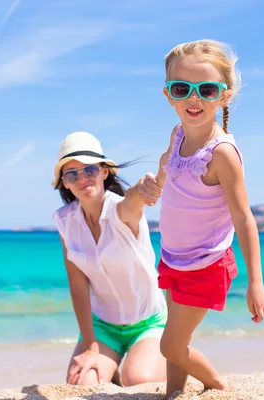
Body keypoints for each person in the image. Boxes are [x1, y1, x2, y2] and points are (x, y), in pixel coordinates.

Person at [141, 39, 264, 398]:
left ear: (223, 96)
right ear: (168, 94)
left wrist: (255, 282)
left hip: (206, 264)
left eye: (206, 89)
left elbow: (244, 218)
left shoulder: (222, 153)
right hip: (173, 257)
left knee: (170, 346)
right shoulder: (178, 133)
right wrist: (156, 185)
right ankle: (174, 393)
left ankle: (217, 385)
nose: (193, 99)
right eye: (182, 88)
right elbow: (168, 162)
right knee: (175, 336)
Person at [51, 131, 167, 387]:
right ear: (65, 183)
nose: (82, 179)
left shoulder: (121, 210)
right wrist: (90, 346)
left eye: (89, 169)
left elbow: (133, 199)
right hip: (103, 326)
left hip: (149, 321)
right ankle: (110, 363)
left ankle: (163, 358)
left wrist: (143, 187)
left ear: (104, 172)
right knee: (81, 383)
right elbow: (78, 286)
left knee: (137, 379)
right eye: (72, 174)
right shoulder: (64, 221)